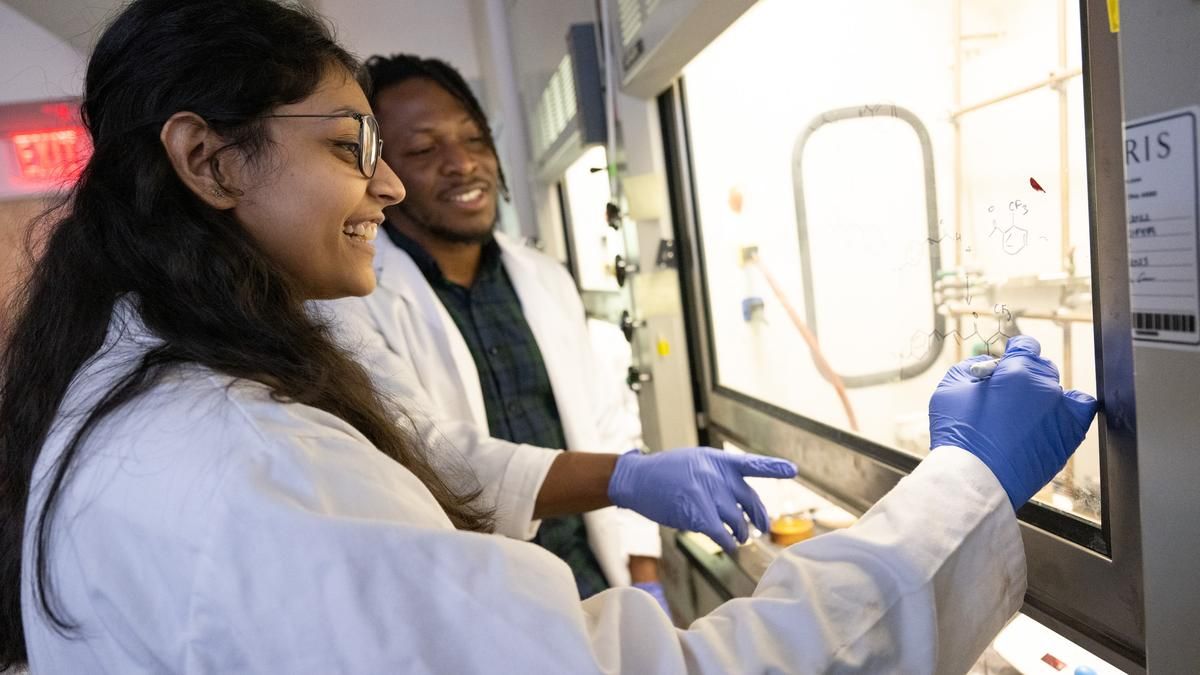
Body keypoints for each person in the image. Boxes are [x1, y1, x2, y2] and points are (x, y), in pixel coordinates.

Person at [0, 0, 1098, 672]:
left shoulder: (161, 391)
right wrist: (962, 485)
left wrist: (627, 473)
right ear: (209, 161)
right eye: (354, 145)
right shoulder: (243, 456)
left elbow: (437, 462)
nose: (388, 180)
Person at [320, 52, 741, 605]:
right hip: (485, 601)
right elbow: (430, 458)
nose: (462, 164)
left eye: (473, 140)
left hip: (593, 583)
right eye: (423, 149)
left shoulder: (545, 278)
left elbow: (607, 425)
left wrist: (645, 580)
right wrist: (626, 478)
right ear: (383, 172)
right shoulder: (349, 300)